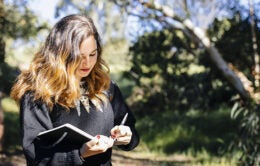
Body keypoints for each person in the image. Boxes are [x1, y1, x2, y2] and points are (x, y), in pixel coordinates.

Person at [10, 14, 139, 166]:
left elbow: (131, 131)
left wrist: (127, 136)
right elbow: (35, 157)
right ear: (60, 53)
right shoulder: (37, 94)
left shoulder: (106, 86)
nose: (87, 63)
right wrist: (80, 154)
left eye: (93, 54)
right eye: (79, 56)